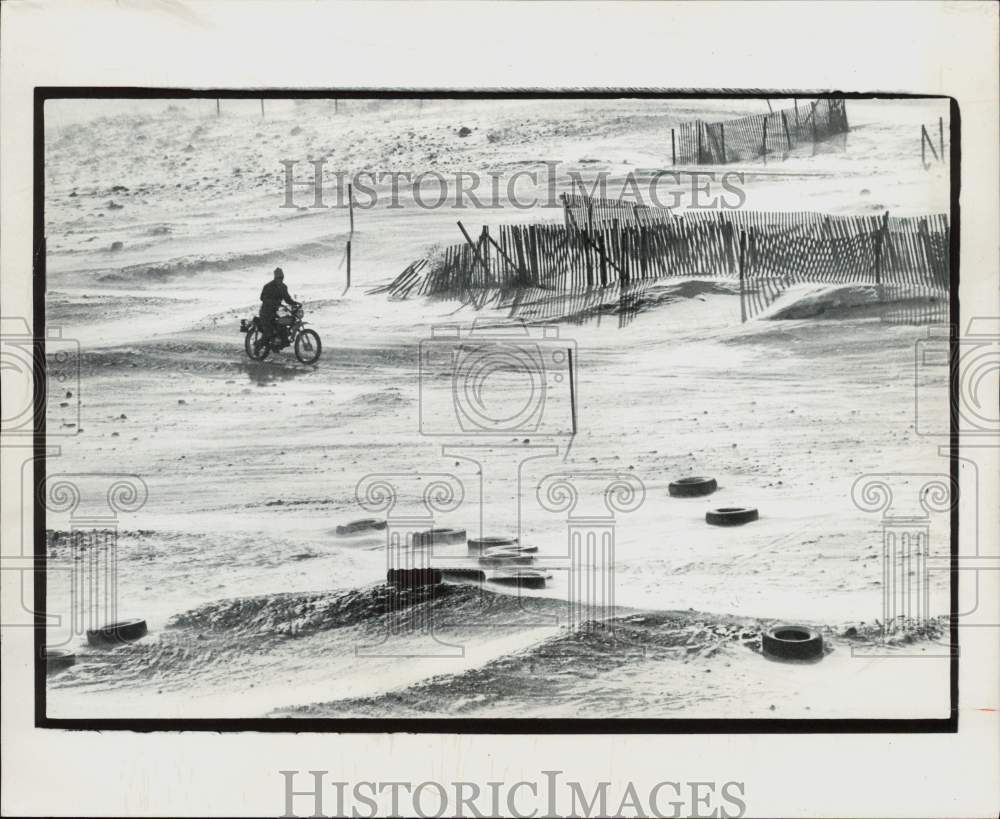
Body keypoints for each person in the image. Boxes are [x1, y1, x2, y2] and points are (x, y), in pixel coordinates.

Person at [257, 267, 299, 349]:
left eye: (282, 277)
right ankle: (258, 346)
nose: (280, 279)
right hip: (266, 312)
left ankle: (280, 342)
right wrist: (273, 303)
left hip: (276, 311)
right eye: (278, 278)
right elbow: (263, 298)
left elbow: (287, 298)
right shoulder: (268, 286)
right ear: (275, 277)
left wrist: (295, 303)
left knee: (283, 325)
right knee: (268, 332)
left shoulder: (283, 287)